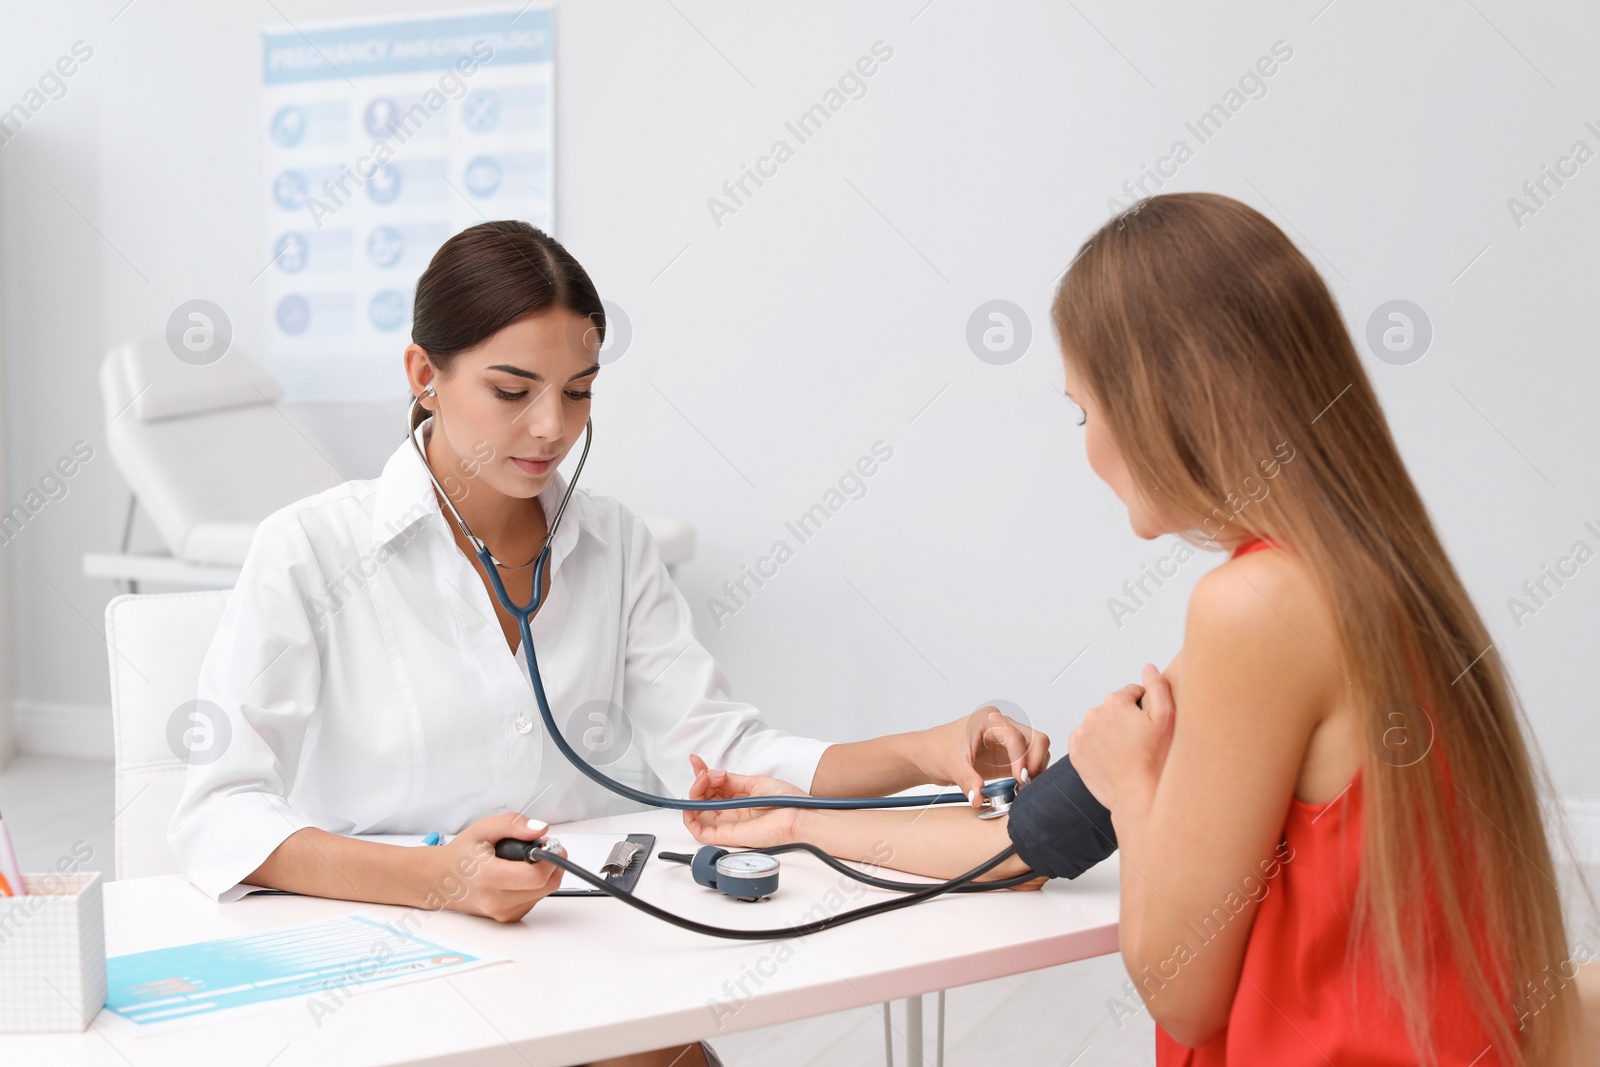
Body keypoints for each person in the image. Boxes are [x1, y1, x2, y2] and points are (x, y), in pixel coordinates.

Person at [685, 193, 1592, 1065]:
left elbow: (1179, 988)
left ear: (1163, 398)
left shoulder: (1254, 609)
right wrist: (800, 820)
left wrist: (1132, 783)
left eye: (1086, 409)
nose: (1088, 446)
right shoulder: (1372, 572)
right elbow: (1025, 844)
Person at [166, 220, 1047, 1067]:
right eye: (513, 391)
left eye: (579, 390)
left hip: (569, 950)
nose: (552, 426)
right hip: (381, 961)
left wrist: (923, 750)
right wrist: (437, 878)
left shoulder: (614, 545)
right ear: (424, 374)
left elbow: (725, 753)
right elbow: (219, 813)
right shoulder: (311, 549)